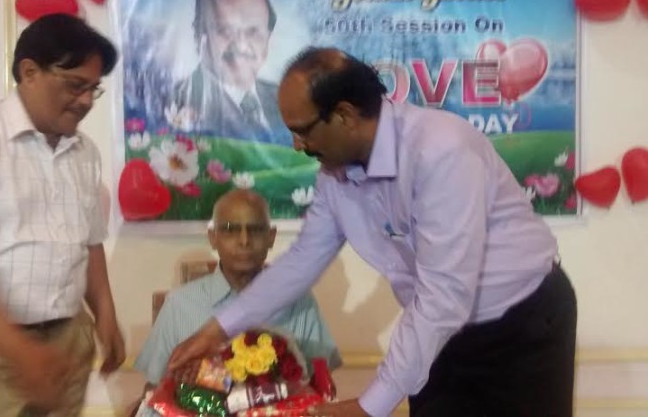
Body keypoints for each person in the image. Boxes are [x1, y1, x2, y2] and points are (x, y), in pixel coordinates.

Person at [166, 47, 578, 417]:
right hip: (437, 337)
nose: (296, 144)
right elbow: (301, 262)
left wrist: (369, 408)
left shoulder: (440, 150)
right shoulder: (335, 176)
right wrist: (217, 329)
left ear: (344, 115)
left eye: (303, 129)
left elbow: (445, 294)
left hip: (522, 326)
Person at [0, 13, 126, 416]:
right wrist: (20, 352)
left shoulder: (83, 153)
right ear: (29, 72)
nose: (85, 101)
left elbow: (89, 243)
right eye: (75, 85)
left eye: (93, 90)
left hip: (65, 339)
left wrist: (106, 315)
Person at [134, 189, 341, 391]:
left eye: (256, 229)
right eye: (231, 229)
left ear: (271, 237)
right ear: (213, 237)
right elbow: (155, 390)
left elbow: (321, 387)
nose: (244, 241)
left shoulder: (299, 302)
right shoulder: (179, 305)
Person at [169, 0, 292, 146]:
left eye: (253, 32)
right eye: (225, 31)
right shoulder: (174, 102)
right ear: (199, 36)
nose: (241, 46)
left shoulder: (286, 100)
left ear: (268, 39)